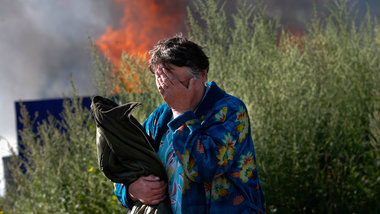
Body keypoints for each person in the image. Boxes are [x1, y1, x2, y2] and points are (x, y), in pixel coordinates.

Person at [114, 34, 266, 214]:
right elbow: (126, 162)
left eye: (173, 80)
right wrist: (132, 190)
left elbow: (203, 168)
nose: (166, 87)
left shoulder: (230, 110)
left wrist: (181, 113)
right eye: (160, 78)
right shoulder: (160, 117)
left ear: (202, 75)